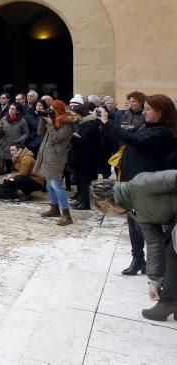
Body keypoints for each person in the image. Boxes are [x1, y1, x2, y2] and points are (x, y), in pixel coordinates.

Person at [97, 94, 177, 275]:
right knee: (133, 225)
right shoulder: (146, 126)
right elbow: (128, 134)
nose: (144, 112)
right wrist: (108, 120)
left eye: (148, 109)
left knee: (146, 229)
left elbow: (136, 140)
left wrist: (108, 122)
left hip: (146, 190)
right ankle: (138, 259)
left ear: (161, 113)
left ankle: (162, 269)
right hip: (131, 186)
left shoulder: (163, 133)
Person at [91, 165, 177, 322]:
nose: (111, 211)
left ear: (111, 197)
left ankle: (169, 301)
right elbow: (153, 243)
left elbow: (173, 177)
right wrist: (154, 281)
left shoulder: (139, 184)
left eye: (107, 206)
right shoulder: (134, 211)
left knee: (173, 250)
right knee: (168, 248)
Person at [34, 100, 79, 225]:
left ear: (59, 110)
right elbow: (39, 133)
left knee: (56, 185)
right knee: (49, 184)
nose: (51, 111)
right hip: (46, 155)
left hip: (56, 157)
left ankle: (66, 215)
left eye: (53, 109)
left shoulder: (67, 123)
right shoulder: (54, 121)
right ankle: (54, 208)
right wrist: (42, 119)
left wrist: (49, 124)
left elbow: (56, 138)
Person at [66, 103, 100, 210]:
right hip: (80, 157)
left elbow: (83, 140)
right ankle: (81, 200)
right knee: (80, 180)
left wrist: (70, 136)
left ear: (80, 114)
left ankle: (86, 204)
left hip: (85, 158)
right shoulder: (83, 123)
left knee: (85, 181)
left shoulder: (89, 124)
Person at [0, 103, 29, 175]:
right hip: (6, 147)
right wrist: (0, 131)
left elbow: (26, 133)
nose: (10, 110)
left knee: (16, 168)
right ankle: (8, 183)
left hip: (16, 147)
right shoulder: (3, 120)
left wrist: (18, 141)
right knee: (7, 168)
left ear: (17, 111)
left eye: (13, 109)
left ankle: (14, 183)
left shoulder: (22, 121)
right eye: (10, 109)